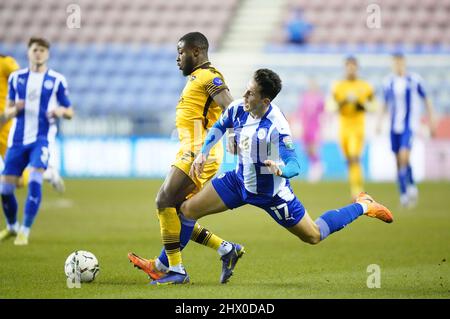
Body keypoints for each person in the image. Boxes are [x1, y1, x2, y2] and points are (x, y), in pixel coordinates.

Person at [149, 68, 393, 285]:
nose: (244, 96)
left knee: (314, 235)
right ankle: (171, 269)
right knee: (187, 210)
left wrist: (281, 170)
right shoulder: (237, 108)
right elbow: (219, 127)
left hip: (272, 194)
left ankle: (363, 205)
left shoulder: (277, 125)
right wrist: (203, 153)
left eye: (251, 94)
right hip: (238, 182)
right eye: (246, 90)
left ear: (264, 100)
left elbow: (295, 164)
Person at [128, 32, 244, 284]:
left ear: (196, 52)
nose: (177, 58)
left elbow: (231, 107)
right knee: (180, 212)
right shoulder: (195, 78)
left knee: (164, 200)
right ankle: (226, 249)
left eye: (180, 52)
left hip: (200, 152)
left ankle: (174, 270)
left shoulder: (209, 76)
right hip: (191, 150)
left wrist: (234, 136)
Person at [0, 37, 74, 245]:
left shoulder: (57, 80)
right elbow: (6, 112)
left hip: (41, 139)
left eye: (42, 50)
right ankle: (12, 226)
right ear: (28, 52)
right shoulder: (16, 78)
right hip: (17, 139)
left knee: (34, 181)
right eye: (35, 49)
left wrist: (60, 111)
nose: (38, 53)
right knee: (5, 190)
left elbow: (70, 111)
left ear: (47, 54)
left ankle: (25, 230)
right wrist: (16, 109)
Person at [0, 54, 65, 194]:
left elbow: (24, 81)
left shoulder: (5, 63)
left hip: (3, 126)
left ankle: (46, 173)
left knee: (16, 180)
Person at [377, 52, 436, 208]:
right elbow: (383, 103)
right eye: (395, 62)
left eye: (400, 62)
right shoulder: (388, 82)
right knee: (398, 161)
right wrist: (378, 122)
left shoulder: (414, 80)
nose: (397, 65)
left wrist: (431, 121)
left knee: (403, 157)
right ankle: (410, 185)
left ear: (404, 63)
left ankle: (404, 196)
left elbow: (427, 100)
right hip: (393, 127)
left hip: (409, 127)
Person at [331, 56, 375, 199]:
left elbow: (374, 106)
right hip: (343, 126)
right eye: (348, 66)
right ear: (345, 68)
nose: (351, 69)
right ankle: (355, 189)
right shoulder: (338, 86)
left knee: (355, 157)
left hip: (357, 126)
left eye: (353, 66)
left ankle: (357, 191)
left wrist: (360, 105)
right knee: (349, 159)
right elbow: (330, 106)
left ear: (357, 68)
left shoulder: (365, 86)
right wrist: (343, 102)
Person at [296, 79, 324, 182]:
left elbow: (323, 112)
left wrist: (322, 127)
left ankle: (317, 168)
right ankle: (315, 166)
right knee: (306, 150)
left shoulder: (320, 98)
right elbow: (301, 112)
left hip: (315, 126)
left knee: (313, 148)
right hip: (305, 127)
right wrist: (300, 125)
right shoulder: (304, 97)